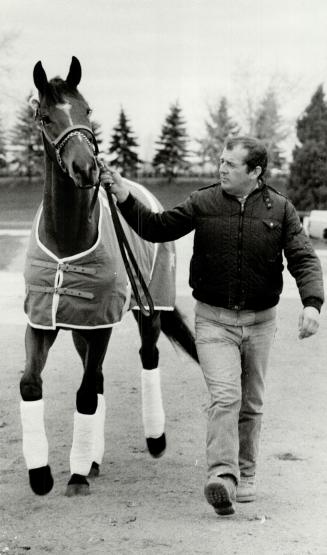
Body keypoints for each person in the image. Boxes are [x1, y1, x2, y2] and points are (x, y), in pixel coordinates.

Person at [100, 136, 324, 517]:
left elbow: (303, 257)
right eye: (220, 161)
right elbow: (157, 227)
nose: (221, 168)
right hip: (213, 323)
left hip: (260, 323)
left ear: (255, 172)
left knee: (251, 403)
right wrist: (122, 195)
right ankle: (223, 476)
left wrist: (313, 304)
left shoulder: (281, 209)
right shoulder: (202, 201)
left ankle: (246, 473)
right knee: (225, 397)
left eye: (230, 164)